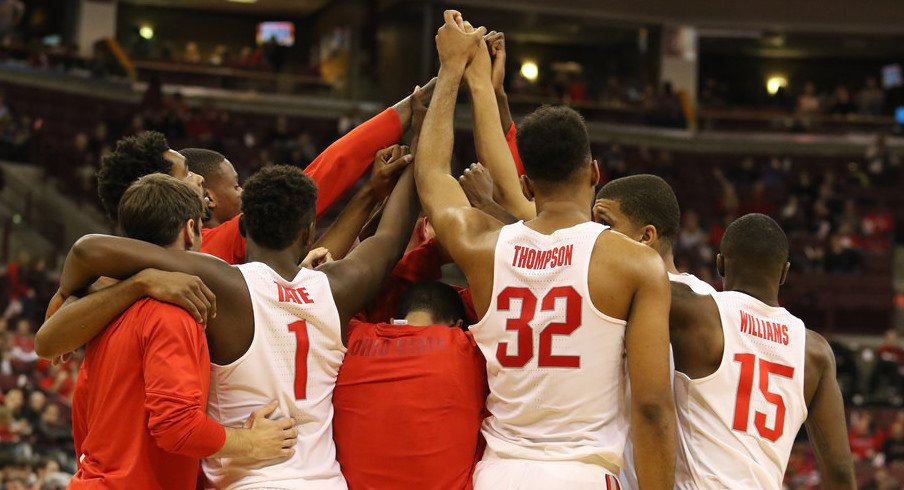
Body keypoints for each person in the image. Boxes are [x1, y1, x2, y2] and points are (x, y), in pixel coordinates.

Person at [41, 160, 420, 488]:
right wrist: (418, 159)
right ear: (192, 230)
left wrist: (71, 292)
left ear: (242, 228)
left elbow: (52, 335)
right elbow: (388, 241)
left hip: (215, 481)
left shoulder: (206, 290)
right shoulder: (328, 291)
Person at [415, 11, 674, 489]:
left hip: (499, 474)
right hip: (583, 474)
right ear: (595, 172)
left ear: (527, 184)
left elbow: (431, 177)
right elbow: (654, 407)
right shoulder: (635, 263)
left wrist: (452, 68)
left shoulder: (483, 246)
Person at [45, 175, 296, 489]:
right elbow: (177, 427)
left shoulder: (103, 307)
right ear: (190, 230)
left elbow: (83, 414)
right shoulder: (174, 310)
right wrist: (250, 442)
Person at [666, 214, 854, 489]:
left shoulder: (699, 314)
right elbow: (839, 470)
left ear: (719, 263)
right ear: (784, 272)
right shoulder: (814, 351)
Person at [333, 281, 488, 489]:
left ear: (392, 319)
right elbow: (498, 305)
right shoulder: (470, 348)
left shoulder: (350, 337)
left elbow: (348, 289)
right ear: (458, 324)